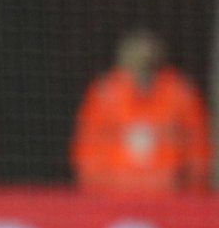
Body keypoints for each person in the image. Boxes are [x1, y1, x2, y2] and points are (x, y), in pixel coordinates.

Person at [72, 29, 213, 193]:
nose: (142, 64)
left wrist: (192, 190)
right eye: (136, 58)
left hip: (171, 194)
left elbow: (199, 149)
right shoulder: (105, 93)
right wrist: (96, 191)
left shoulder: (180, 93)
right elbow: (86, 151)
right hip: (114, 193)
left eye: (148, 60)